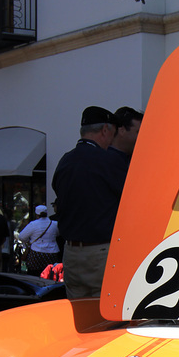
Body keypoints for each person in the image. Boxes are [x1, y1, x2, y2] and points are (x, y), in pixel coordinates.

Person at [52, 106, 127, 299]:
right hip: (100, 251)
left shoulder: (66, 160)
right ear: (105, 130)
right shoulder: (108, 161)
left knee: (78, 313)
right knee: (104, 317)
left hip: (71, 252)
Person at [18, 204, 60, 275]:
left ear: (37, 214)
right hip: (52, 252)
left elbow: (21, 236)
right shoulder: (54, 224)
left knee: (34, 273)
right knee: (51, 274)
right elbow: (58, 234)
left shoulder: (33, 224)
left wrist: (28, 241)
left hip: (37, 253)